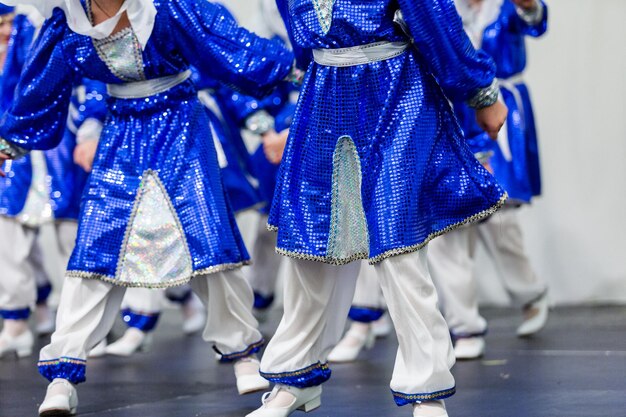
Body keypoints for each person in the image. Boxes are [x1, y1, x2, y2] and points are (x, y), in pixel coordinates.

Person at [0, 0, 295, 415]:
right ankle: (62, 374)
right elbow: (40, 88)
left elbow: (229, 47)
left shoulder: (168, 9)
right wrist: (9, 142)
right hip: (121, 135)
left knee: (208, 240)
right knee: (95, 250)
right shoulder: (68, 21)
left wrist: (295, 64)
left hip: (180, 127)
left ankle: (243, 353)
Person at [247, 1, 508, 416]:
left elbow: (431, 15)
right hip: (323, 95)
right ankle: (293, 377)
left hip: (392, 92)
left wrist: (480, 90)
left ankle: (427, 390)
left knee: (396, 241)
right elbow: (297, 32)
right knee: (312, 243)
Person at [428, 0, 549, 360]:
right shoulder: (438, 8)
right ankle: (464, 325)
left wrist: (530, 6)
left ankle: (530, 293)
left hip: (500, 116)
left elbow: (536, 20)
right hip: (450, 115)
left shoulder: (504, 7)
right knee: (447, 226)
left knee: (499, 219)